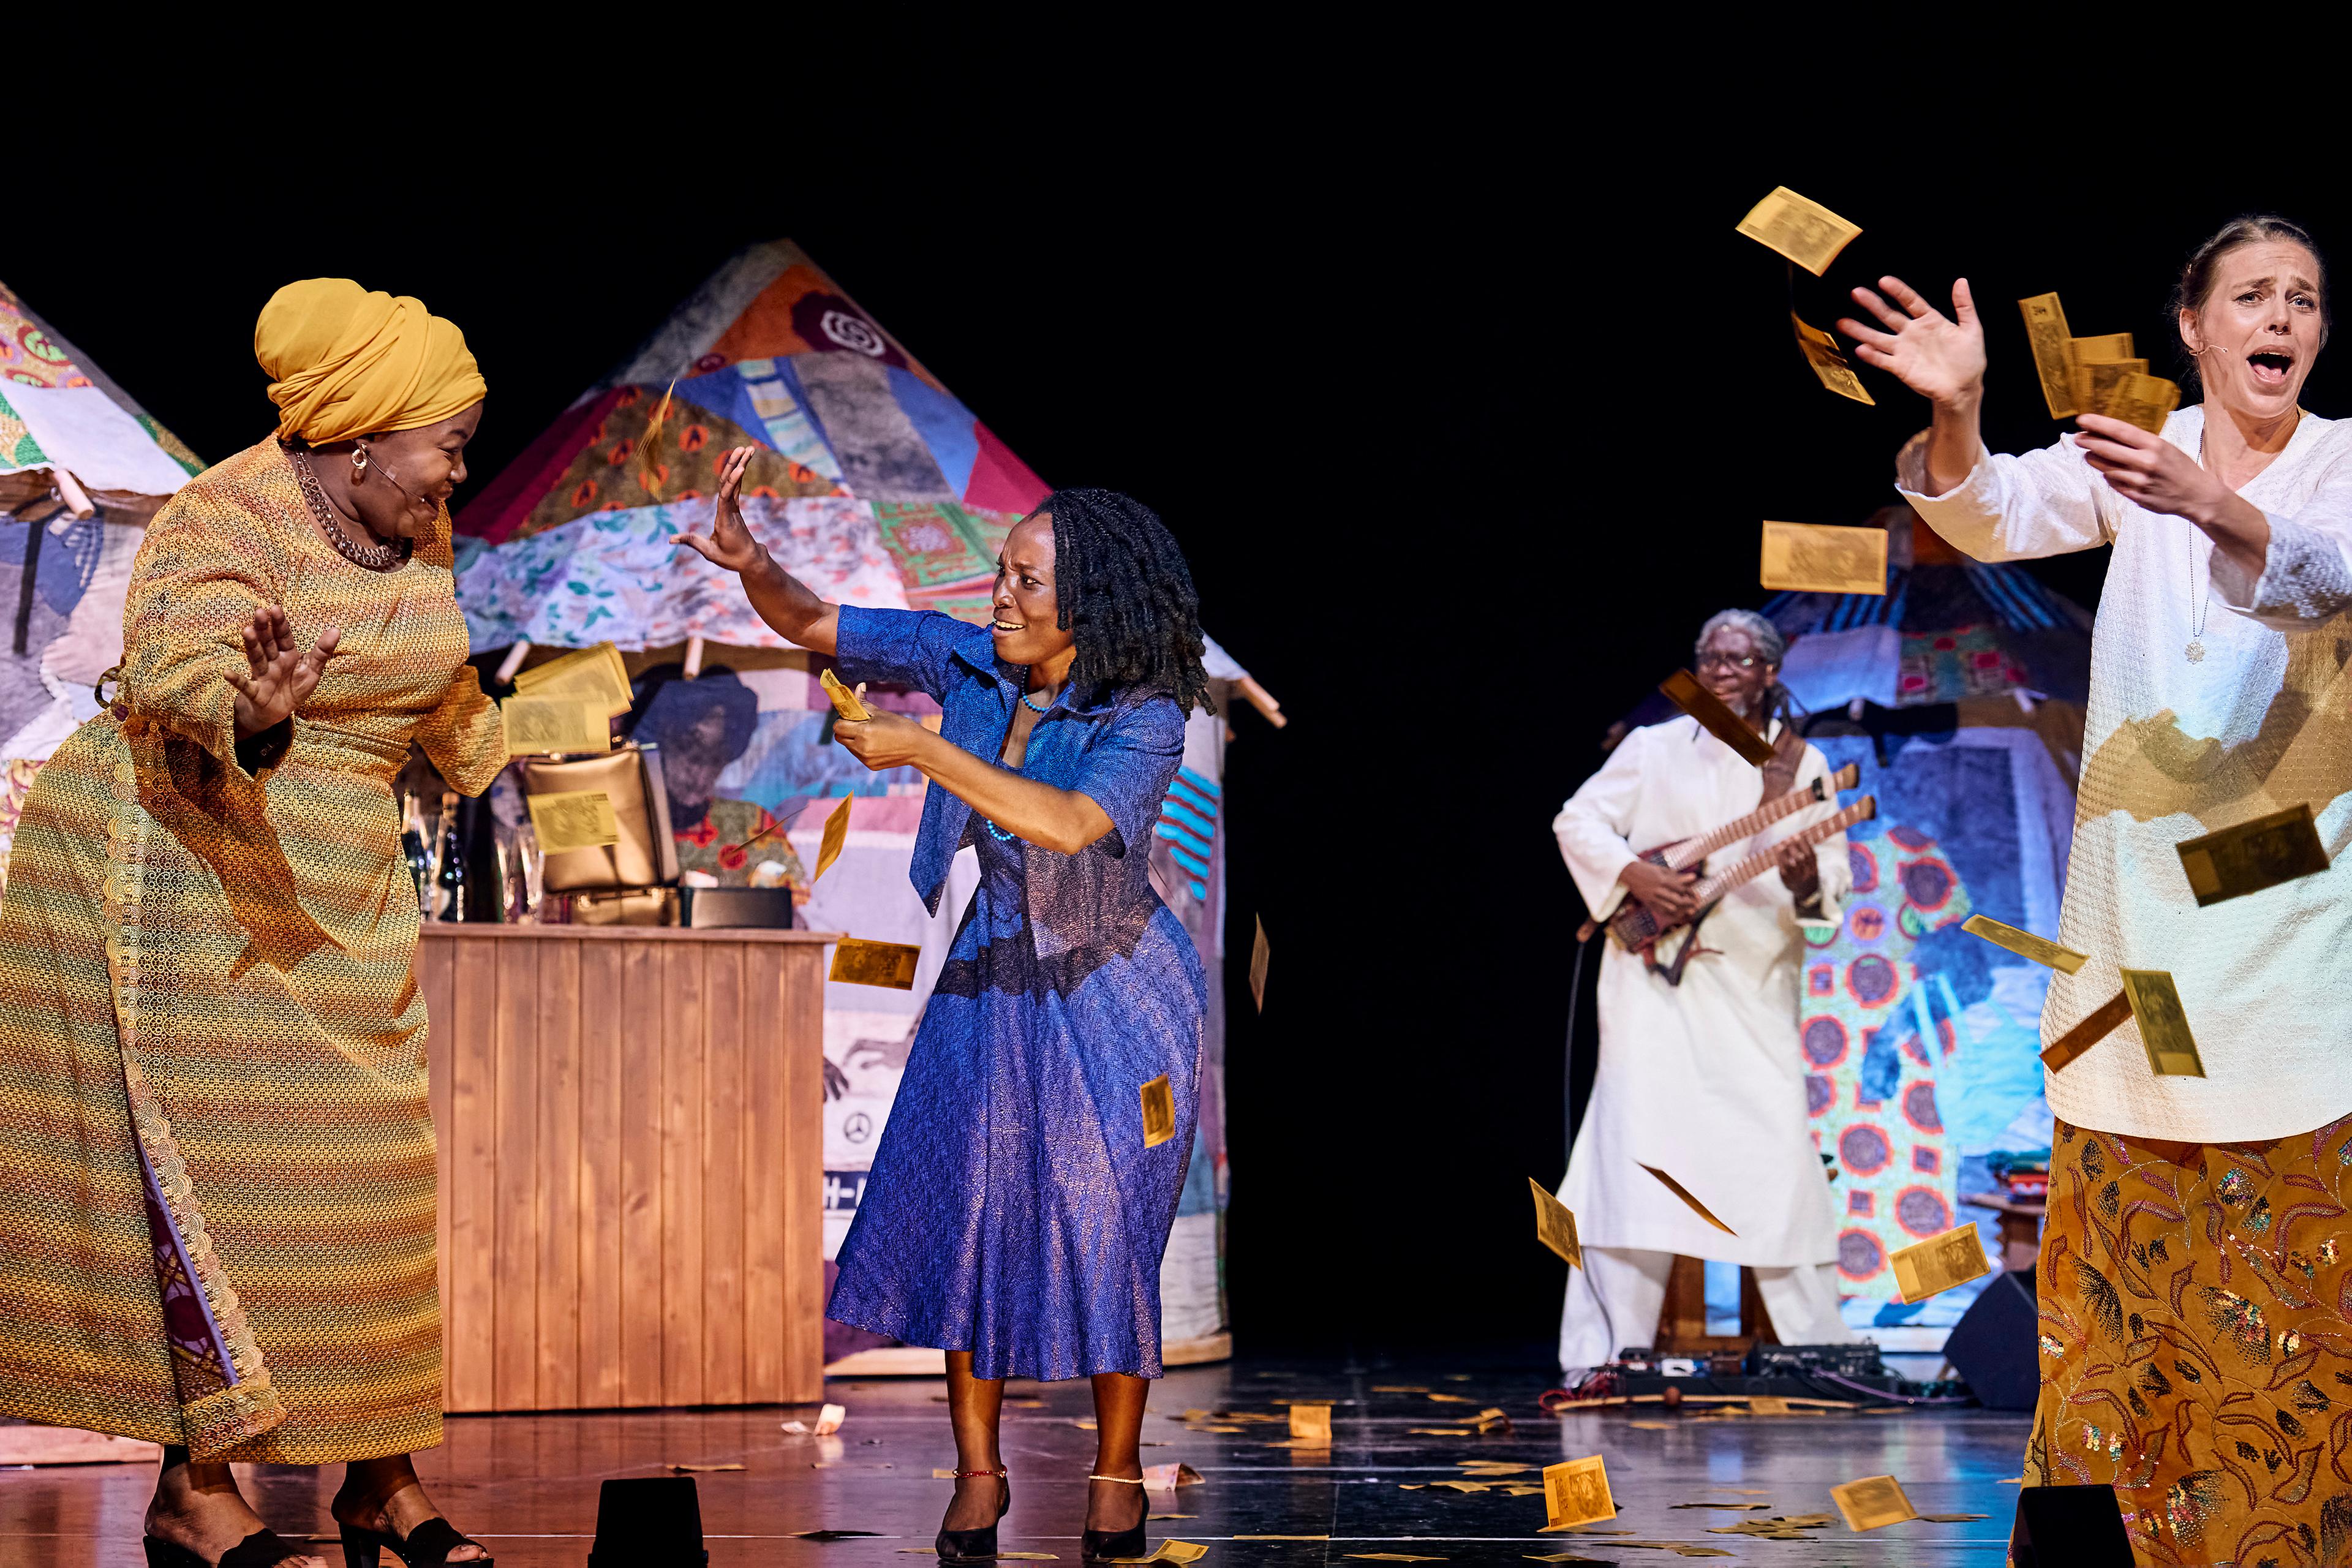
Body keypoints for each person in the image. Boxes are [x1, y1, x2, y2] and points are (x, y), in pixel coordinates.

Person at [1842, 214, 2352, 1560]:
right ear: (2195, 325)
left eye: (2302, 297)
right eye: (2253, 295)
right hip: (2136, 946)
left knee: (2286, 1305)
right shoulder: (2142, 446)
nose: (2282, 318)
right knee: (2125, 1305)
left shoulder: (2344, 464)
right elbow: (1988, 510)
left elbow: (2333, 575)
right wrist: (1958, 412)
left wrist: (2217, 508)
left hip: (2293, 940)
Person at [0, 279, 501, 1568]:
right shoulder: (227, 514)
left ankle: (380, 1475)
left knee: (371, 1196)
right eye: (445, 443)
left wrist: (504, 738)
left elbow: (429, 668)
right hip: (192, 866)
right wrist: (259, 704)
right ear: (359, 442)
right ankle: (195, 1488)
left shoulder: (412, 523)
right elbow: (172, 663)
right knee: (223, 1185)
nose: (459, 468)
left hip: (344, 888)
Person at [676, 450, 1208, 1565]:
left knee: (1110, 1227)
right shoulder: (964, 658)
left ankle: (1116, 1474)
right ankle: (979, 1473)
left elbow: (1069, 826)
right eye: (1001, 573)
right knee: (970, 1216)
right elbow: (816, 621)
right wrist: (751, 563)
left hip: (1112, 990)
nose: (998, 597)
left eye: (1025, 581)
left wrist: (920, 747)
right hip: (993, 977)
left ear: (1092, 603)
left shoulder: (1145, 713)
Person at [1551, 609, 1857, 1372]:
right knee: (1632, 1159)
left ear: (1770, 673)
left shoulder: (1804, 766)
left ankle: (1819, 1351)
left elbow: (1832, 893)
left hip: (1750, 992)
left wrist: (1802, 876)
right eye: (1710, 656)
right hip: (1650, 994)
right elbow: (1577, 819)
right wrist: (1636, 873)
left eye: (1741, 657)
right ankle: (1603, 1355)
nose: (1722, 669)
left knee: (1776, 1159)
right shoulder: (1652, 749)